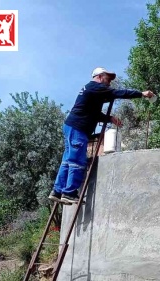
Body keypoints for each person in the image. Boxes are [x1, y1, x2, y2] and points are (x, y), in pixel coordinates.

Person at [50, 67, 154, 205]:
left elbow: (93, 113)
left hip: (72, 127)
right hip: (78, 129)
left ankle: (57, 191)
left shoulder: (91, 90)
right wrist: (141, 94)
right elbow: (118, 93)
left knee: (68, 160)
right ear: (99, 76)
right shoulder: (95, 86)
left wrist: (109, 118)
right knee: (77, 160)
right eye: (108, 78)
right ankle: (69, 193)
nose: (109, 82)